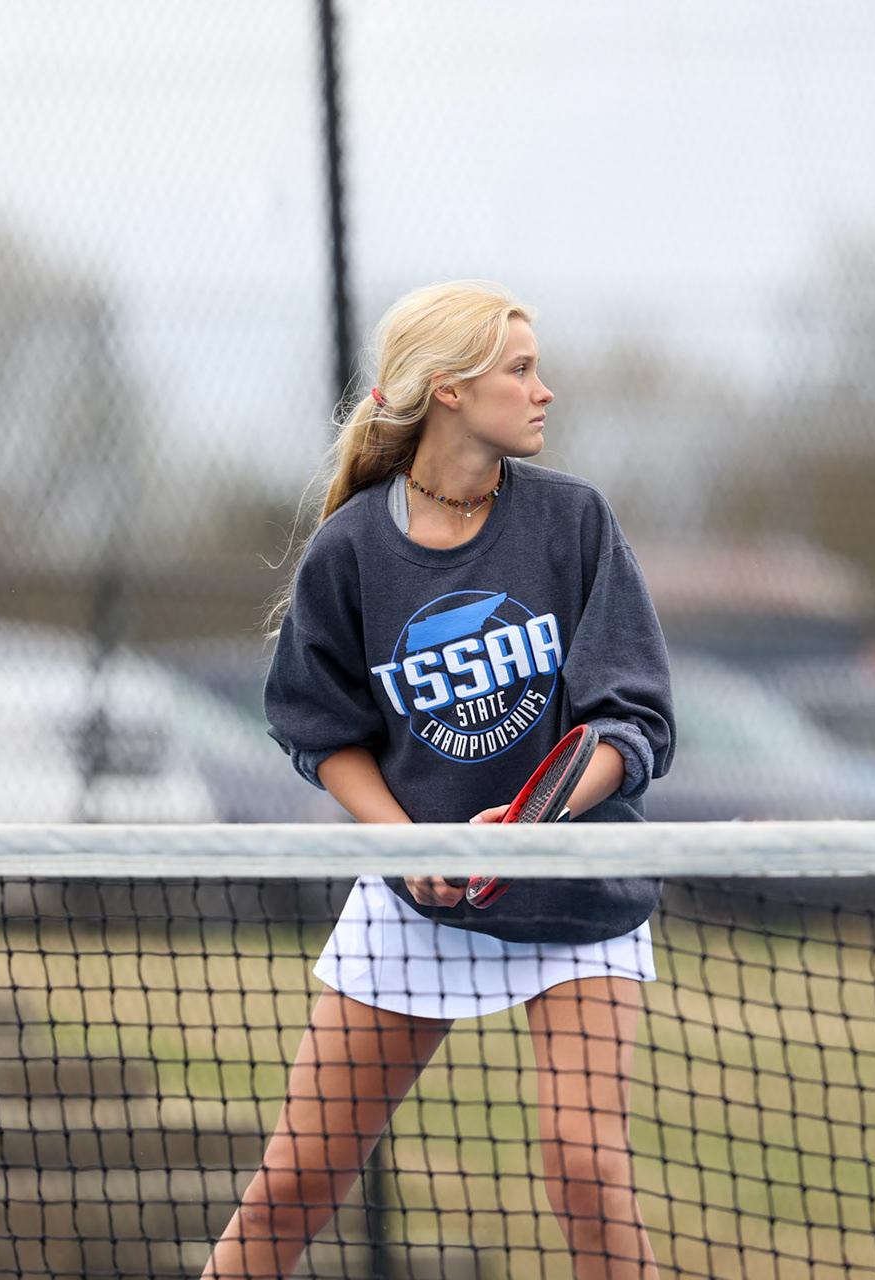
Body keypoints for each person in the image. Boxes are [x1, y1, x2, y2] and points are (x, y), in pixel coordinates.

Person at [202, 281, 674, 1279]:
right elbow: (320, 727)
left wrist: (534, 815)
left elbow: (631, 721)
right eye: (520, 369)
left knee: (586, 1170)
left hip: (577, 897)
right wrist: (408, 844)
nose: (544, 390)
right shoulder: (352, 550)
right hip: (415, 910)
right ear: (449, 389)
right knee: (293, 1183)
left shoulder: (575, 522)